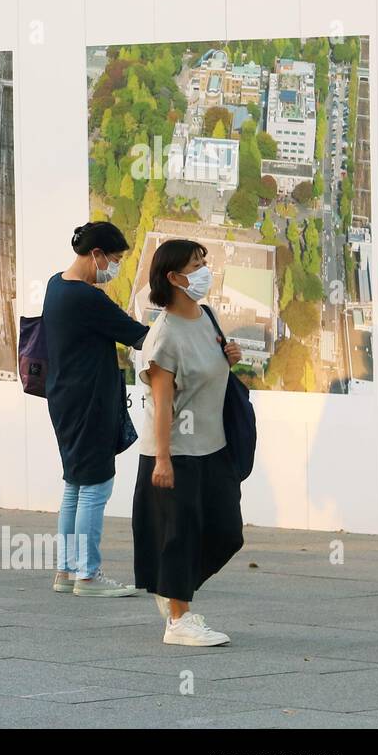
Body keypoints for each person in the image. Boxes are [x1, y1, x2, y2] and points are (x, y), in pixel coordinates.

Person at [132, 238, 244, 646]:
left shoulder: (207, 316)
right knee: (179, 535)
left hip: (213, 445)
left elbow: (210, 372)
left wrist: (228, 357)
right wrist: (162, 460)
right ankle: (178, 620)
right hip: (176, 451)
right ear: (175, 277)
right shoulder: (163, 336)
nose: (204, 270)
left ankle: (172, 591)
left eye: (203, 261)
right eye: (196, 264)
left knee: (228, 532)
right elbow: (162, 405)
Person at [42, 221, 149, 597]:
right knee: (96, 486)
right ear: (97, 255)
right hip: (89, 402)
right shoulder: (87, 298)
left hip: (65, 399)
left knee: (75, 485)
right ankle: (88, 575)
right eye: (115, 259)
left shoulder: (57, 286)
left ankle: (67, 571)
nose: (115, 267)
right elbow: (140, 335)